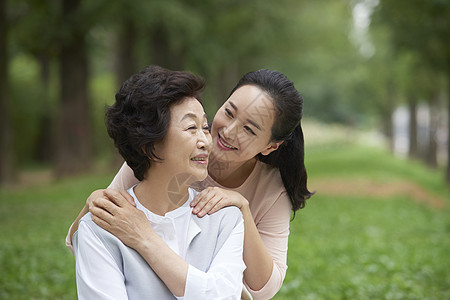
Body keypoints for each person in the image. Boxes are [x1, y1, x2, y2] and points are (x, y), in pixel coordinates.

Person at [68, 68, 313, 299]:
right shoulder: (157, 157)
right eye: (228, 112)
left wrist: (243, 209)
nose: (228, 131)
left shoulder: (247, 206)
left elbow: (263, 289)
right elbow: (93, 232)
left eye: (249, 129)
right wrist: (95, 202)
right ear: (150, 148)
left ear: (271, 146)